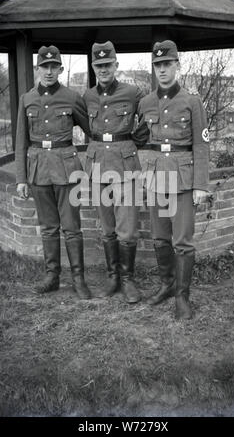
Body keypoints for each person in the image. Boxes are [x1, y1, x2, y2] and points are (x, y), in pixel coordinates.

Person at [138, 40, 209, 319]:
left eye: (167, 64)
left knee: (182, 240)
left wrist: (201, 185)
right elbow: (140, 140)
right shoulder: (145, 103)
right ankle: (166, 285)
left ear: (177, 66)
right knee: (159, 237)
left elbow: (202, 146)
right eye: (158, 65)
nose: (163, 69)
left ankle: (182, 296)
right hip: (156, 178)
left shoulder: (192, 102)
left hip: (183, 178)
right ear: (153, 68)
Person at [15, 45, 92, 299]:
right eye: (44, 67)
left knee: (71, 227)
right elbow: (20, 142)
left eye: (53, 67)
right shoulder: (27, 99)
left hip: (67, 169)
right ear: (37, 69)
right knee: (48, 227)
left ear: (60, 69)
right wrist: (21, 179)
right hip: (38, 170)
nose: (49, 71)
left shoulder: (72, 97)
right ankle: (52, 276)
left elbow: (92, 131)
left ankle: (78, 279)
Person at [83, 41, 149, 303]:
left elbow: (152, 114)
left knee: (128, 228)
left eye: (107, 64)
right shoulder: (87, 96)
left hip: (126, 167)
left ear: (116, 65)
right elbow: (82, 122)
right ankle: (113, 277)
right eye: (99, 65)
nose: (103, 69)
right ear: (93, 67)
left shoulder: (133, 92)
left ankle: (127, 279)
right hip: (98, 166)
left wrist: (135, 141)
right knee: (107, 226)